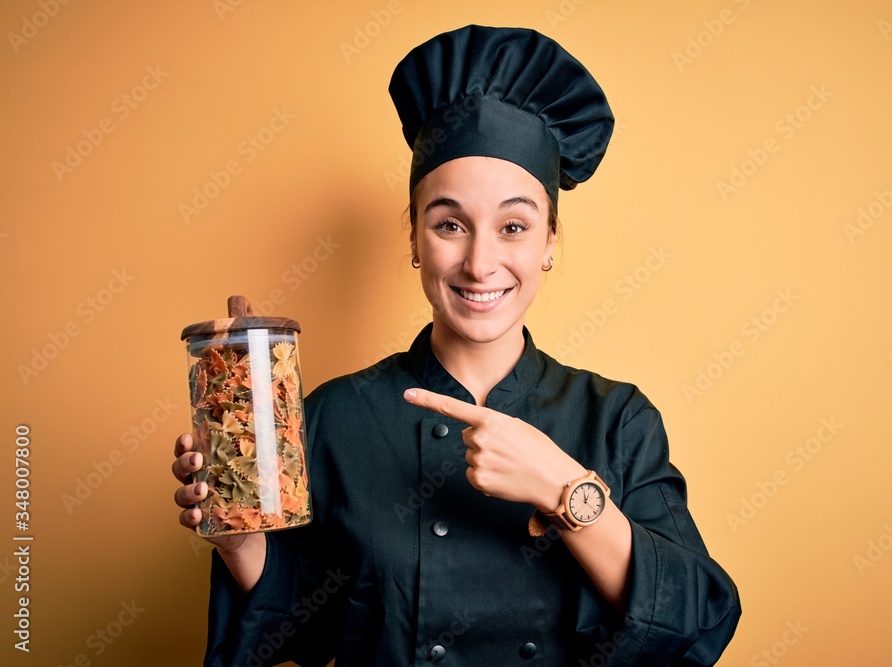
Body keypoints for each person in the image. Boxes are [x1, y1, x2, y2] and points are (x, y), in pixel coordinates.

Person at [172, 25, 740, 666]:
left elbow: (699, 623)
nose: (479, 262)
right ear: (414, 239)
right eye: (449, 225)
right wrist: (239, 539)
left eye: (514, 226)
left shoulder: (617, 420)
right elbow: (308, 631)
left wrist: (563, 489)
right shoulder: (333, 418)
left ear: (550, 242)